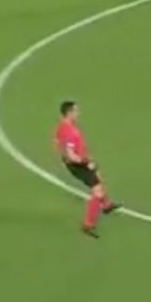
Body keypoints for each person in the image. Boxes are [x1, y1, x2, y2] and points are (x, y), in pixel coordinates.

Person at [54, 101, 121, 238]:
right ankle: (88, 225)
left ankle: (106, 205)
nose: (78, 113)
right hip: (78, 164)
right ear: (69, 113)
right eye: (76, 111)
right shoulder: (71, 131)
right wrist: (86, 162)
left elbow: (57, 142)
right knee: (97, 192)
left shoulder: (61, 126)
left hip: (76, 161)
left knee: (98, 177)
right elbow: (72, 156)